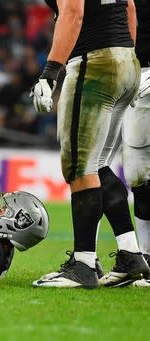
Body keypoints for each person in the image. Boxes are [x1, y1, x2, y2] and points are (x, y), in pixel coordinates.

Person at [30, 0, 149, 288]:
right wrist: (127, 60)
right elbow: (129, 7)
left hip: (93, 61)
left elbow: (74, 11)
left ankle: (83, 265)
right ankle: (131, 254)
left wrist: (50, 72)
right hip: (127, 59)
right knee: (98, 165)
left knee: (79, 166)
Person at [102, 0, 150, 288]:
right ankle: (143, 257)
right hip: (132, 74)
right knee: (137, 175)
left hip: (142, 74)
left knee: (139, 173)